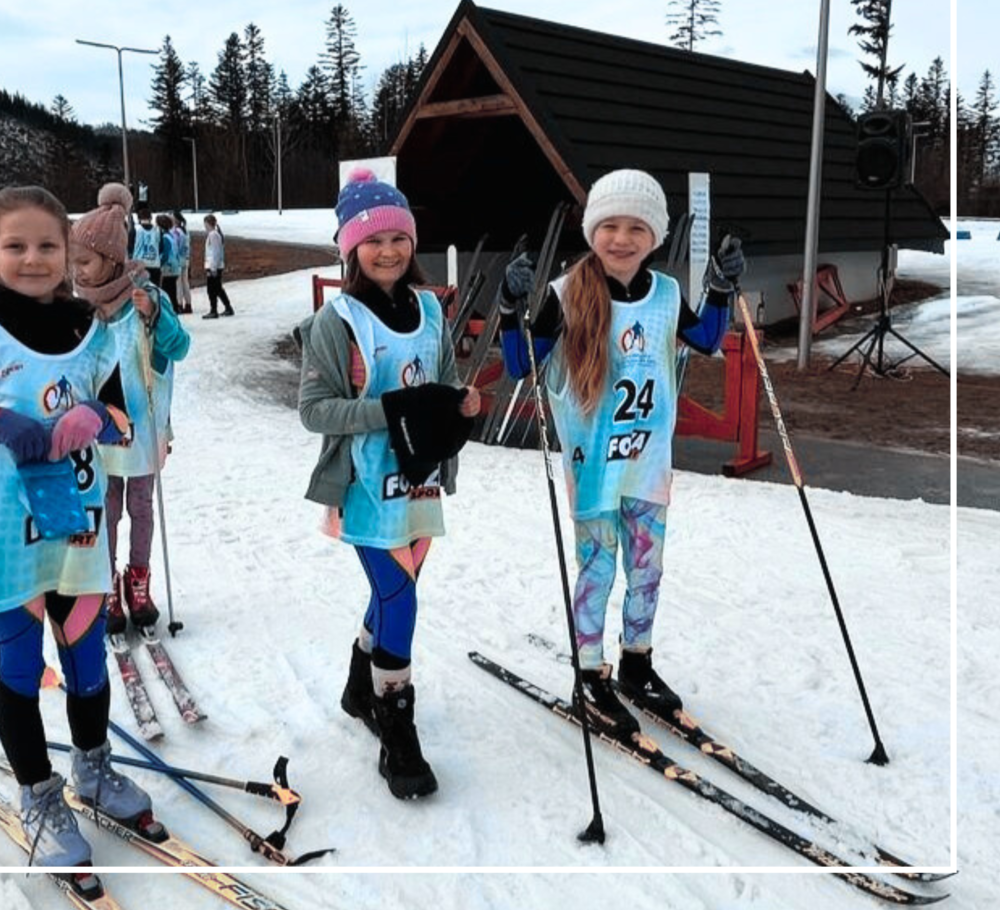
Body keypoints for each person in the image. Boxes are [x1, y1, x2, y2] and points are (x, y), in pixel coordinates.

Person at [0, 184, 150, 869]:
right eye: (15, 246)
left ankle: (93, 771)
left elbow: (123, 418)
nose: (33, 258)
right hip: (2, 535)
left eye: (48, 245)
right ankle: (37, 796)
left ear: (69, 252)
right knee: (21, 668)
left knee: (87, 662)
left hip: (76, 527)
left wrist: (98, 421)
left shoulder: (90, 330)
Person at [497, 168, 744, 739]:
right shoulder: (566, 296)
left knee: (647, 568)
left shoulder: (665, 293)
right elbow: (520, 366)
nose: (622, 239)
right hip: (594, 468)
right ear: (592, 231)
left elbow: (705, 338)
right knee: (599, 568)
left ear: (655, 236)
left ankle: (637, 662)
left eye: (637, 227)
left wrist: (721, 289)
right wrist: (511, 305)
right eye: (609, 225)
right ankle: (590, 674)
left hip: (648, 461)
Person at [295, 169, 479, 800]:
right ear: (350, 249)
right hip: (365, 489)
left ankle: (359, 684)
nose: (389, 251)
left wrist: (464, 403)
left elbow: (446, 380)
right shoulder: (337, 320)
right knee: (400, 599)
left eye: (399, 238)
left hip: (420, 482)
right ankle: (396, 726)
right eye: (373, 241)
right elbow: (314, 410)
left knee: (393, 594)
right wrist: (394, 408)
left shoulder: (430, 309)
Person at [69, 182, 191, 635]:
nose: (77, 271)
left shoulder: (144, 300)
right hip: (98, 434)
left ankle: (139, 581)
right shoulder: (81, 310)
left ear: (113, 259)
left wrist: (156, 319)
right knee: (105, 508)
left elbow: (178, 349)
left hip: (140, 431)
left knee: (140, 506)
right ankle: (107, 583)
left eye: (85, 261)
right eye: (75, 261)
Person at [201, 213, 234, 318]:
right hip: (214, 265)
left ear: (208, 224)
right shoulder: (214, 235)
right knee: (218, 288)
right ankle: (227, 307)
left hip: (213, 266)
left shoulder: (213, 235)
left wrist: (213, 267)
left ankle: (214, 310)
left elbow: (215, 252)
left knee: (212, 289)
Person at [154, 213, 181, 310]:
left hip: (169, 268)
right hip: (175, 267)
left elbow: (166, 254)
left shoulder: (165, 237)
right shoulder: (171, 236)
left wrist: (159, 263)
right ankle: (175, 308)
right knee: (172, 290)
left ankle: (172, 310)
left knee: (167, 291)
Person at [132, 205, 162, 286]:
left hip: (140, 265)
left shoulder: (136, 229)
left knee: (140, 292)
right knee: (154, 292)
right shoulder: (157, 230)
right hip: (155, 264)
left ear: (139, 218)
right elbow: (161, 246)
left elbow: (130, 247)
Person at [171, 212, 193, 314]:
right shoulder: (186, 231)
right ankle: (188, 304)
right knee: (185, 282)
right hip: (186, 259)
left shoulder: (176, 232)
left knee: (178, 283)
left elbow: (175, 247)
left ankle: (179, 304)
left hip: (178, 260)